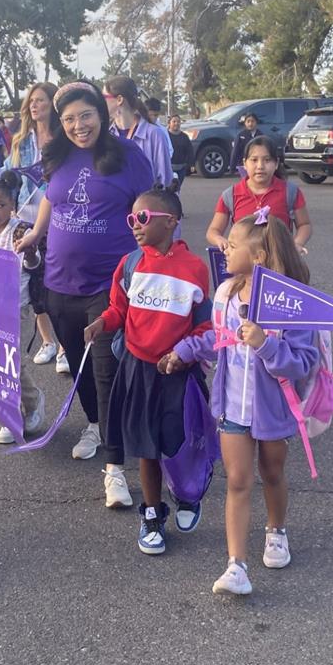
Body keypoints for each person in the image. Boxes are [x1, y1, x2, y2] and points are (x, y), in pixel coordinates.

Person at [15, 81, 154, 507]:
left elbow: (150, 207)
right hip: (58, 282)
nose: (79, 125)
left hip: (109, 285)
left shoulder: (129, 157)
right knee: (77, 368)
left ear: (102, 114)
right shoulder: (56, 156)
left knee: (106, 370)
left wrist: (156, 259)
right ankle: (95, 423)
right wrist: (37, 233)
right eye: (70, 118)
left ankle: (114, 468)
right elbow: (50, 200)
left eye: (86, 115)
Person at [164, 214, 319, 595]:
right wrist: (183, 350)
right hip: (232, 405)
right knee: (237, 480)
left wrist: (266, 344)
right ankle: (236, 565)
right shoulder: (226, 294)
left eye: (233, 245)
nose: (225, 249)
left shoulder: (290, 303)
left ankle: (276, 530)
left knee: (272, 472)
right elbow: (217, 340)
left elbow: (303, 362)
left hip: (273, 408)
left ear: (260, 256)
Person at [83, 187, 212, 555]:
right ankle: (152, 513)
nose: (135, 225)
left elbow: (205, 327)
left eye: (143, 218)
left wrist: (183, 355)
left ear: (170, 221)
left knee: (179, 443)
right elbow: (118, 311)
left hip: (178, 373)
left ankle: (188, 496)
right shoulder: (130, 264)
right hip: (137, 369)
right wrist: (101, 324)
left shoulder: (194, 269)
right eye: (131, 219)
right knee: (146, 446)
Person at [0, 170, 46, 444]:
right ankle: (10, 413)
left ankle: (33, 400)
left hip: (18, 307)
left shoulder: (21, 230)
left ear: (12, 203)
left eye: (1, 205)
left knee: (12, 361)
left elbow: (33, 264)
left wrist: (29, 252)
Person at [6, 82, 62, 368]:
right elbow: (9, 175)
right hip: (27, 217)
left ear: (53, 104)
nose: (34, 105)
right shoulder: (21, 141)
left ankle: (64, 345)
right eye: (31, 101)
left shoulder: (64, 138)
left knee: (58, 282)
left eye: (40, 100)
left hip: (59, 218)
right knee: (35, 284)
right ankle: (47, 340)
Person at [206, 135, 312, 254]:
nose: (260, 166)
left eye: (267, 160)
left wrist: (297, 243)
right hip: (243, 266)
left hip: (280, 264)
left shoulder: (291, 192)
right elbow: (213, 231)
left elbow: (304, 224)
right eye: (254, 160)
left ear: (276, 164)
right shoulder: (230, 195)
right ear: (245, 164)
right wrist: (219, 240)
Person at [103, 76, 174, 188]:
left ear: (119, 100)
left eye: (104, 97)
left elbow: (166, 181)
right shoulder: (106, 135)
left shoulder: (154, 134)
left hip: (146, 204)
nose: (102, 101)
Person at [167, 114, 193, 188]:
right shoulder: (165, 135)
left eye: (178, 121)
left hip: (181, 168)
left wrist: (191, 164)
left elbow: (190, 151)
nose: (176, 123)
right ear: (169, 123)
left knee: (177, 188)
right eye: (174, 121)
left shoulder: (184, 136)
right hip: (169, 168)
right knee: (169, 188)